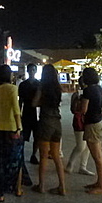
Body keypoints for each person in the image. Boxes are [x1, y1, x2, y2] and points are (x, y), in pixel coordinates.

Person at [0, 64, 31, 202]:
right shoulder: (12, 88)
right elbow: (16, 110)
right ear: (9, 75)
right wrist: (19, 127)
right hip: (12, 129)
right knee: (15, 161)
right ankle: (16, 189)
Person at [32, 64, 66, 195]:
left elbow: (34, 103)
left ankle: (41, 186)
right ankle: (62, 186)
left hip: (45, 122)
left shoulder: (42, 86)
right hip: (57, 122)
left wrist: (41, 102)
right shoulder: (58, 88)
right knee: (56, 156)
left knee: (44, 156)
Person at [81, 67, 102, 195]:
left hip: (92, 124)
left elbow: (83, 110)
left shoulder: (87, 91)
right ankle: (99, 182)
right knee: (98, 154)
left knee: (97, 156)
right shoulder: (99, 88)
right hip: (99, 122)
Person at [65, 75, 95, 176]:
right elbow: (73, 109)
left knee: (87, 145)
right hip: (79, 120)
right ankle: (70, 164)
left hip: (88, 120)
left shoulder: (90, 92)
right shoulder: (77, 94)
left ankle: (83, 166)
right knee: (81, 145)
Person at [18, 63, 41, 164]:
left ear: (35, 71)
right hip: (27, 111)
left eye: (33, 70)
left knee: (37, 136)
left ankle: (34, 154)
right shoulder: (23, 85)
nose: (32, 72)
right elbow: (20, 101)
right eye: (30, 70)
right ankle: (21, 154)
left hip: (35, 112)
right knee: (23, 135)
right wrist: (18, 113)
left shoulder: (39, 84)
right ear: (27, 71)